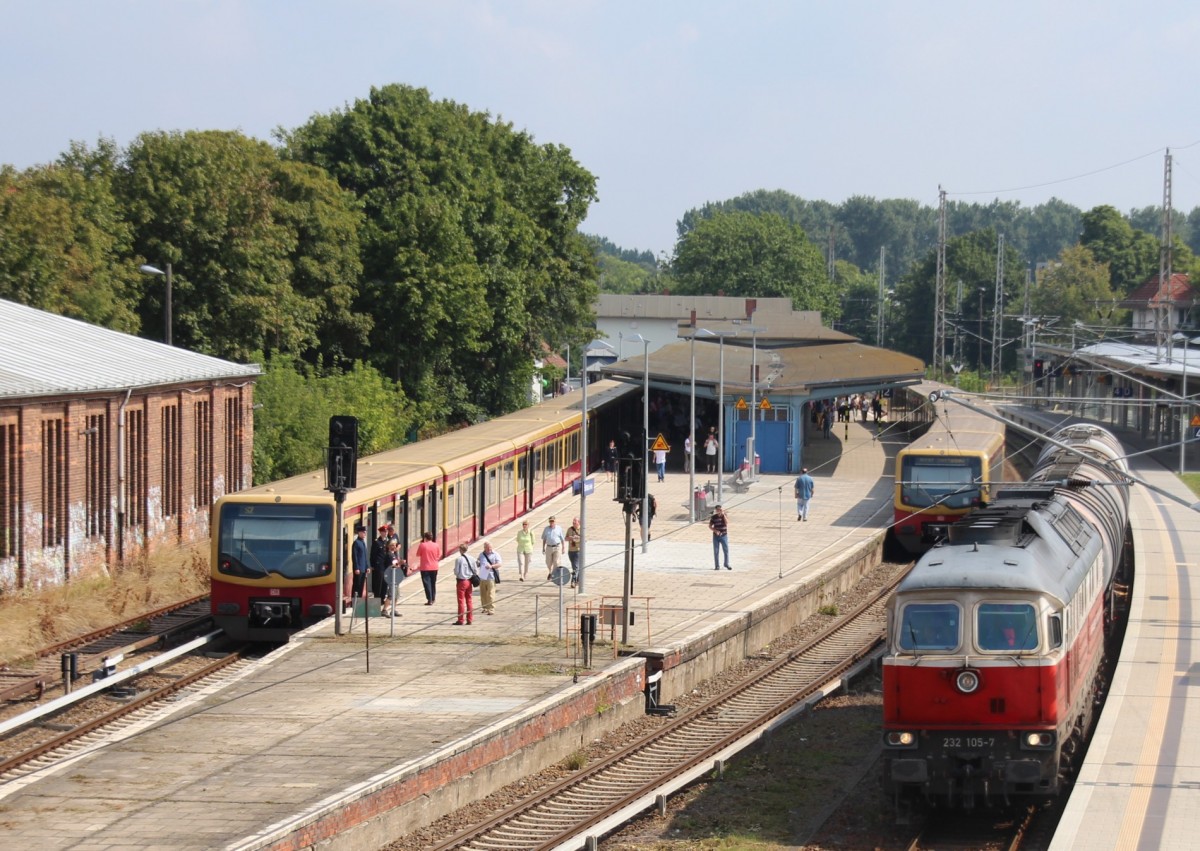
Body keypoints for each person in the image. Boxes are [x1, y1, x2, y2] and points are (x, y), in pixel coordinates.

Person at [452, 543, 477, 625]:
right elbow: (475, 570)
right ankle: (470, 619)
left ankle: (461, 620)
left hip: (461, 581)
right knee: (469, 600)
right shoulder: (472, 559)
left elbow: (457, 572)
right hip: (469, 581)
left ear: (461, 550)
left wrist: (455, 571)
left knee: (461, 601)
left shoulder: (459, 559)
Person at [476, 541, 501, 615]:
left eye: (490, 547)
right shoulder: (481, 554)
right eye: (487, 548)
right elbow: (478, 563)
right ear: (484, 548)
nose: (489, 549)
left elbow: (499, 564)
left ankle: (491, 608)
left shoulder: (495, 554)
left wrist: (492, 566)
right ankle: (485, 607)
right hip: (482, 577)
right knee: (483, 593)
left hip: (491, 577)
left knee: (490, 593)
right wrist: (477, 563)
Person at [415, 530, 440, 605]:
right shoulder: (436, 545)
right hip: (434, 567)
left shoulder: (422, 545)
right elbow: (438, 555)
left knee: (427, 584)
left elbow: (418, 554)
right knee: (433, 583)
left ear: (425, 538)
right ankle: (433, 597)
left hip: (425, 567)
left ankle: (429, 599)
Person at [381, 541, 406, 616]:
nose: (394, 546)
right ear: (388, 546)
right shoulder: (388, 555)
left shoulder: (394, 554)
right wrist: (400, 563)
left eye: (395, 545)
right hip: (391, 577)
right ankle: (384, 610)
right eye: (392, 545)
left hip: (396, 577)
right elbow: (391, 566)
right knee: (391, 594)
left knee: (396, 595)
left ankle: (393, 610)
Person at [370, 525, 391, 607]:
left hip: (386, 565)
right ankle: (377, 598)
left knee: (384, 583)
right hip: (379, 566)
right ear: (381, 532)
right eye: (384, 532)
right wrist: (372, 565)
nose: (385, 533)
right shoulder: (376, 542)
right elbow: (373, 555)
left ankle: (383, 598)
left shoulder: (387, 542)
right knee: (378, 583)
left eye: (386, 532)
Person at [541, 515, 566, 580]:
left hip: (557, 546)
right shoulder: (546, 529)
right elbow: (544, 539)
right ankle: (550, 572)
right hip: (549, 547)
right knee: (548, 562)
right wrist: (543, 548)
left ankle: (554, 574)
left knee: (556, 562)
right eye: (550, 521)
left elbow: (562, 539)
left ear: (555, 521)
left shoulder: (559, 528)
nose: (551, 522)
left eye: (553, 521)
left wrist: (563, 547)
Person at [350, 524, 369, 606]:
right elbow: (355, 557)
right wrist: (356, 568)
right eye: (363, 532)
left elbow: (365, 556)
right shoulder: (356, 543)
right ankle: (354, 601)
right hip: (358, 568)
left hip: (363, 568)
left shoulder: (363, 543)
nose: (365, 534)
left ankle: (359, 601)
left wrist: (367, 566)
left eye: (365, 532)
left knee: (361, 585)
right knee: (356, 585)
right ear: (359, 533)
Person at [709, 503, 731, 570]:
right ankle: (717, 565)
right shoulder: (714, 517)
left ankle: (726, 564)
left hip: (724, 535)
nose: (719, 511)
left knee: (726, 550)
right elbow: (710, 526)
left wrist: (723, 514)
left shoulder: (724, 515)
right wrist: (715, 530)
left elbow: (727, 523)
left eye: (720, 509)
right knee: (716, 551)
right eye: (717, 510)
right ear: (716, 510)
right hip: (716, 536)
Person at [565, 518, 582, 588]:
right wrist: (571, 538)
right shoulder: (570, 529)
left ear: (579, 523)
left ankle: (573, 581)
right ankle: (578, 579)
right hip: (571, 550)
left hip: (578, 550)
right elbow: (565, 538)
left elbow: (584, 539)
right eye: (573, 522)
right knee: (575, 566)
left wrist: (577, 538)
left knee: (575, 567)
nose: (574, 524)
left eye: (575, 522)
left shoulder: (582, 529)